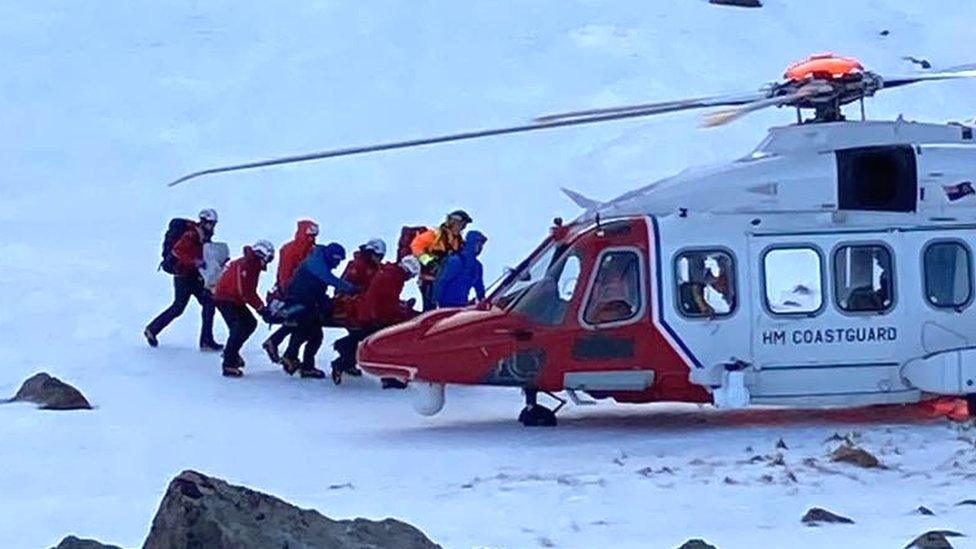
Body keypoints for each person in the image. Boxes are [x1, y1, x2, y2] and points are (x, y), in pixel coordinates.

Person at [332, 256, 421, 383]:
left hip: (368, 312)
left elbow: (386, 298)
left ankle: (344, 355)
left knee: (364, 338)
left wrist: (402, 308)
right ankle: (388, 377)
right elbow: (388, 303)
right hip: (374, 316)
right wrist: (406, 313)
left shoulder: (389, 272)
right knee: (382, 342)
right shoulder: (395, 277)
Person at [145, 208, 223, 351]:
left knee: (208, 304)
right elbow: (178, 251)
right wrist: (196, 261)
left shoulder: (203, 235)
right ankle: (152, 329)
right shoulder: (192, 234)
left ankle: (206, 340)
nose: (212, 226)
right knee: (180, 307)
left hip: (194, 275)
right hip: (184, 276)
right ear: (204, 221)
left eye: (214, 224)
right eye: (210, 223)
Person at [281, 243, 357, 378]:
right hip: (303, 302)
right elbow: (329, 279)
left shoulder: (317, 259)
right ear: (332, 257)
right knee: (314, 334)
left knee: (308, 332)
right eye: (337, 260)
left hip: (306, 301)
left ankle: (294, 358)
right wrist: (350, 288)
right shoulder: (317, 264)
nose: (338, 264)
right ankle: (302, 364)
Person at [213, 240, 275, 377]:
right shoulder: (249, 265)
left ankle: (232, 353)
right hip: (225, 298)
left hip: (233, 298)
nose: (268, 263)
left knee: (249, 324)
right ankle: (229, 363)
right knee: (240, 327)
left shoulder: (252, 264)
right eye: (269, 258)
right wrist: (261, 309)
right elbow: (246, 292)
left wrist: (261, 308)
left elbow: (247, 292)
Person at [261, 220, 319, 363]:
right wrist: (291, 291)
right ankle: (287, 353)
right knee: (304, 321)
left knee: (301, 322)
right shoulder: (291, 250)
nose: (312, 239)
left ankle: (278, 345)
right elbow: (285, 275)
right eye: (310, 235)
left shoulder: (310, 250)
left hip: (300, 293)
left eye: (314, 235)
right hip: (292, 294)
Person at [330, 238, 387, 378]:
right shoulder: (358, 265)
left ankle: (347, 361)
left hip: (360, 306)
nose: (379, 259)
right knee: (363, 333)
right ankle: (343, 358)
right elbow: (347, 287)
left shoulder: (374, 267)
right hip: (349, 307)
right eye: (377, 256)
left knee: (362, 334)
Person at [410, 210, 472, 310]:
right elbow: (416, 246)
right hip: (429, 280)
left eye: (464, 225)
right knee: (430, 309)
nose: (463, 227)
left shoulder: (458, 241)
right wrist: (429, 262)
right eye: (461, 224)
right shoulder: (435, 235)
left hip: (445, 282)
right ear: (452, 222)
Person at [432, 230, 487, 308]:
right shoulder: (455, 261)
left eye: (482, 244)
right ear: (471, 243)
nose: (480, 247)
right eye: (478, 243)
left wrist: (483, 300)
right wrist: (435, 302)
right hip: (445, 306)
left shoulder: (478, 266)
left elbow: (479, 286)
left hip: (461, 307)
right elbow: (442, 281)